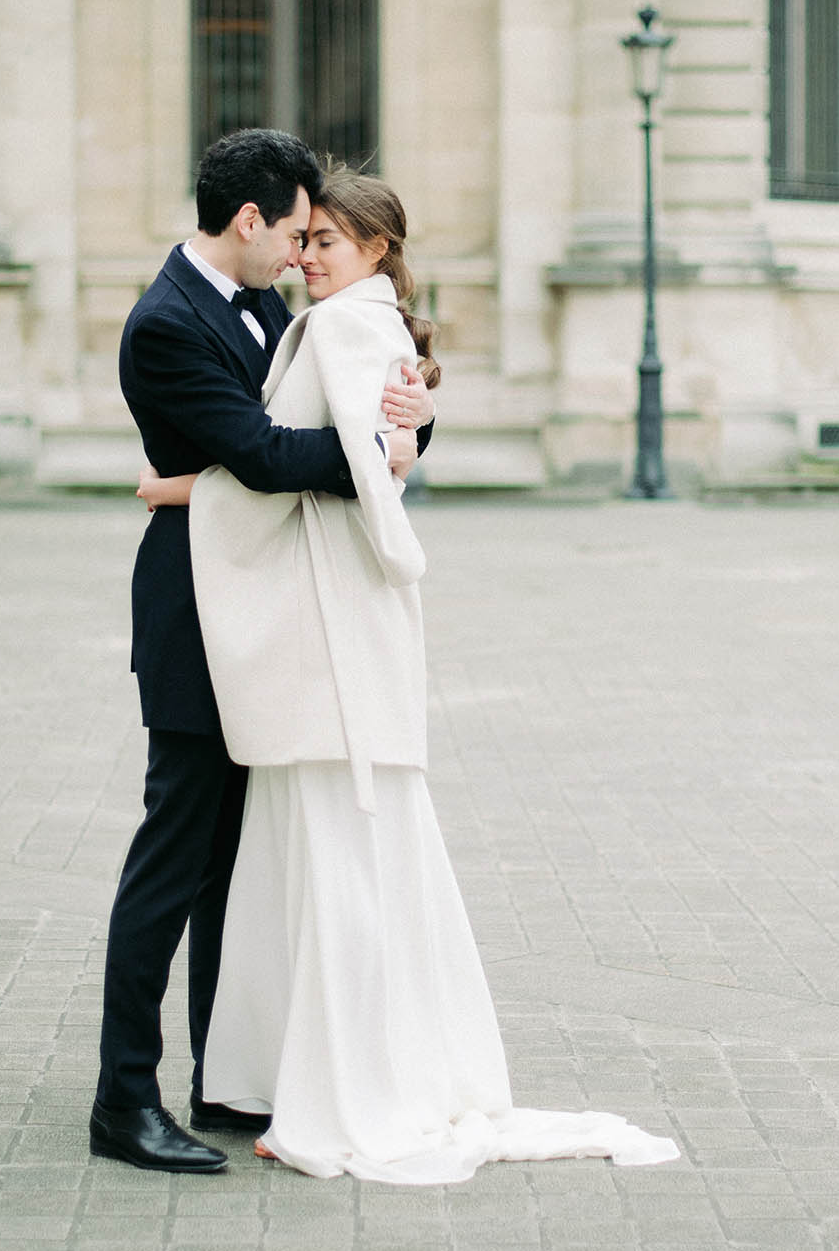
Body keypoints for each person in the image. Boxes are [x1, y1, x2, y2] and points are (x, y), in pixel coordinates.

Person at [139, 168, 680, 1184]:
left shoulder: (345, 326)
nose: (304, 259)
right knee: (336, 854)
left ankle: (340, 1086)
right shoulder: (339, 319)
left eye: (327, 243)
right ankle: (319, 1071)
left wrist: (181, 485)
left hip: (333, 636)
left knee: (332, 856)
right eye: (303, 242)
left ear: (376, 250)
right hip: (330, 629)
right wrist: (397, 434)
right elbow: (359, 451)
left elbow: (343, 476)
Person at [91, 131, 435, 1175]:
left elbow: (336, 411)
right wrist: (378, 456)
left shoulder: (256, 305)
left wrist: (415, 415)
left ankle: (223, 1080)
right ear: (249, 220)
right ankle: (122, 1101)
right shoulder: (167, 324)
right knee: (175, 855)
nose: (299, 255)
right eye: (293, 232)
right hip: (198, 617)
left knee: (234, 870)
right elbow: (269, 453)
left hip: (261, 607)